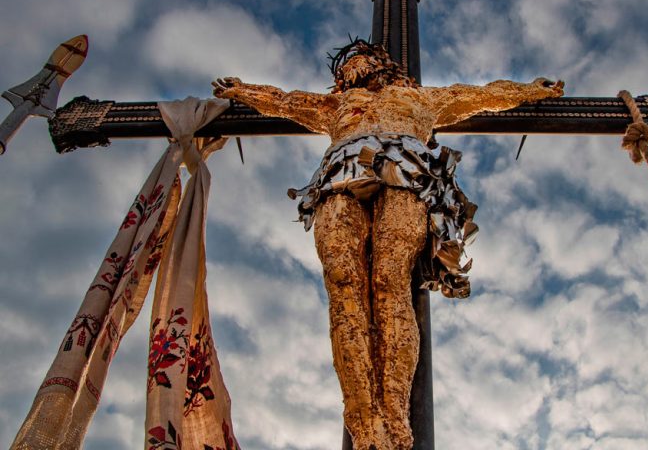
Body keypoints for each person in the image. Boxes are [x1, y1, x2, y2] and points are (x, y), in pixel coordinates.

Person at [213, 40, 563, 450]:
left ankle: (394, 412)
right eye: (343, 68)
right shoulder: (335, 105)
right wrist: (242, 90)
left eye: (356, 60)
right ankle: (363, 419)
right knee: (342, 278)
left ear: (382, 63)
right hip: (340, 175)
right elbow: (285, 101)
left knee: (389, 278)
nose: (348, 69)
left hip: (407, 173)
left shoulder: (422, 98)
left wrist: (532, 90)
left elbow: (482, 94)